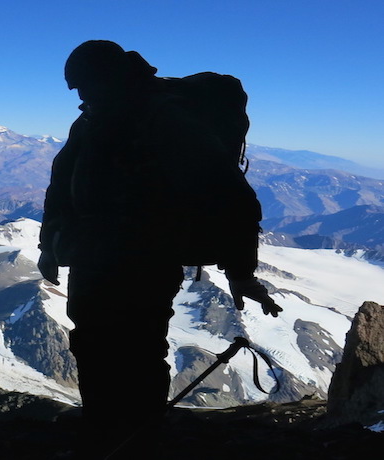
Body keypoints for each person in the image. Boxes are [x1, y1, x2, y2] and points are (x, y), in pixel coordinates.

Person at [37, 40, 281, 457]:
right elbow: (62, 184)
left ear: (109, 77)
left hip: (146, 260)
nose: (80, 96)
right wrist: (49, 245)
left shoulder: (166, 118)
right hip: (94, 257)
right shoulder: (95, 118)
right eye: (76, 89)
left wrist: (240, 273)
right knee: (93, 343)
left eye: (84, 86)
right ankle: (103, 427)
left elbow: (234, 199)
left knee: (138, 349)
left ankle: (138, 437)